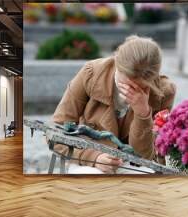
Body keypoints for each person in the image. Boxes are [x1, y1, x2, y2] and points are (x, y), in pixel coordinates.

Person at [52, 35, 176, 173]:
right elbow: (56, 131)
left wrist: (143, 113)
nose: (132, 89)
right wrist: (93, 157)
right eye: (127, 83)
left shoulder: (163, 92)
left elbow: (147, 155)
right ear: (117, 62)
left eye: (141, 86)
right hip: (87, 160)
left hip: (133, 164)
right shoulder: (92, 74)